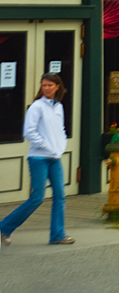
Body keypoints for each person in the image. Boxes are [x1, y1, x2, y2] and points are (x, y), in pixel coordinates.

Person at [0, 73, 73, 248]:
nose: (46, 88)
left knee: (60, 196)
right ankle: (4, 227)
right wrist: (47, 146)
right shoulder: (37, 106)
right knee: (37, 197)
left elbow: (61, 130)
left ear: (57, 86)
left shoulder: (59, 107)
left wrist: (60, 147)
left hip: (54, 158)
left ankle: (57, 235)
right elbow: (29, 132)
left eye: (50, 85)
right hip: (38, 158)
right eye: (44, 85)